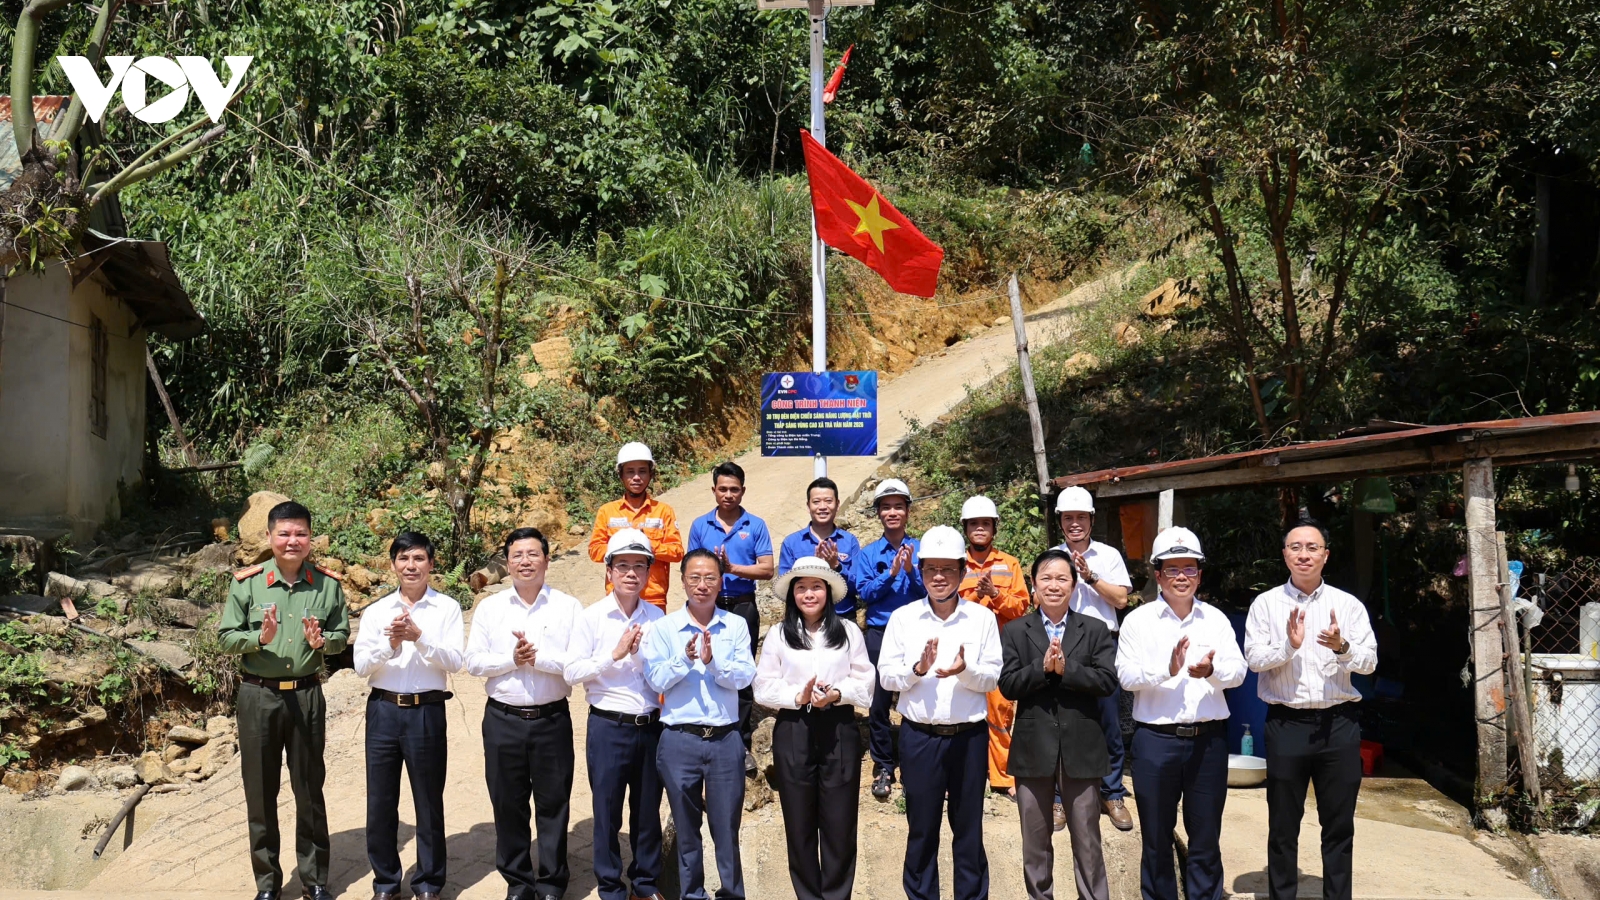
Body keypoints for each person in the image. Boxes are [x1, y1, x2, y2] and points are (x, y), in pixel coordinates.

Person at [218, 500, 350, 900]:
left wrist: (323, 643)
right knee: (260, 793)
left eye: (301, 534)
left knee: (309, 790)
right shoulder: (247, 583)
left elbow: (341, 635)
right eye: (284, 534)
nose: (293, 541)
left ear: (311, 538)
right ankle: (268, 884)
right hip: (258, 696)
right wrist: (259, 638)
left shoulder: (328, 585)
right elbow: (226, 638)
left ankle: (314, 880)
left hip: (306, 695)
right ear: (269, 537)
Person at [1244, 518, 1378, 900]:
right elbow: (1253, 659)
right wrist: (1289, 646)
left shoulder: (1347, 605)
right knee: (1283, 827)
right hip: (1287, 724)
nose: (1304, 554)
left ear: (1325, 555)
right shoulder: (1266, 604)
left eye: (1312, 547)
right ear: (1285, 554)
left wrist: (1342, 647)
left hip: (1339, 726)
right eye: (1296, 547)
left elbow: (1369, 662)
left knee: (1339, 827)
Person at [1116, 527, 1247, 900]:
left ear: (1199, 575)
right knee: (1157, 838)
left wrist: (1212, 671)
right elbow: (1125, 676)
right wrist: (1167, 669)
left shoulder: (1215, 620)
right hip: (1156, 742)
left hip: (1208, 742)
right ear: (1158, 575)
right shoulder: (1138, 621)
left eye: (1189, 568)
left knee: (1206, 838)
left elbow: (1238, 672)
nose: (1181, 577)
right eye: (1172, 569)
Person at [878, 525, 1002, 900]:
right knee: (921, 829)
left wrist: (965, 670)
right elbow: (886, 677)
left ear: (962, 572)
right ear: (920, 571)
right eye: (931, 568)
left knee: (968, 830)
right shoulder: (903, 618)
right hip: (920, 738)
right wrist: (917, 669)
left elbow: (992, 676)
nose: (939, 576)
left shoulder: (981, 619)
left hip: (969, 738)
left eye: (948, 569)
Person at [466, 527, 583, 900]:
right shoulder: (490, 608)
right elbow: (473, 662)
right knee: (508, 803)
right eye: (517, 555)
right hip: (503, 720)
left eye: (533, 554)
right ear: (507, 562)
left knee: (553, 803)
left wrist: (539, 659)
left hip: (551, 719)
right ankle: (518, 881)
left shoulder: (568, 607)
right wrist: (511, 659)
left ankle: (551, 882)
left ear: (547, 560)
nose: (525, 561)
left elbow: (578, 664)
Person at [753, 556, 876, 900]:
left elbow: (866, 682)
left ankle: (837, 895)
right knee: (799, 824)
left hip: (839, 727)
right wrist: (798, 696)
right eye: (802, 587)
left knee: (840, 824)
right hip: (794, 727)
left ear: (828, 591)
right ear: (793, 593)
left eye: (816, 587)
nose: (809, 594)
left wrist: (837, 693)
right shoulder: (779, 634)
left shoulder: (848, 631)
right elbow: (763, 686)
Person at [998, 549, 1118, 900]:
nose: (1054, 585)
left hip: (1082, 748)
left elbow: (1107, 682)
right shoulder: (1016, 630)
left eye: (1062, 578)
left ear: (1074, 585)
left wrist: (1067, 670)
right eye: (1046, 578)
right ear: (1033, 584)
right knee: (1035, 843)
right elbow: (1008, 684)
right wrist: (1041, 669)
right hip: (1033, 747)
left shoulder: (1094, 629)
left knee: (1088, 841)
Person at [352, 531, 463, 900]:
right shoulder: (376, 611)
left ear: (431, 564)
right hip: (383, 710)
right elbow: (361, 666)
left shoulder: (447, 608)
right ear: (393, 565)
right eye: (403, 558)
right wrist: (392, 643)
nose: (410, 566)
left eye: (418, 558)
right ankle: (386, 883)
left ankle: (429, 883)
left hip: (426, 710)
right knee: (380, 801)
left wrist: (420, 637)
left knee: (428, 800)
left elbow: (455, 661)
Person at [642, 549, 757, 900]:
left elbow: (744, 676)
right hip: (680, 739)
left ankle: (731, 894)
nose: (702, 585)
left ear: (721, 582)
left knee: (727, 829)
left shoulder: (735, 625)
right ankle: (692, 895)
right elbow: (655, 680)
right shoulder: (664, 628)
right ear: (682, 582)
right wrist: (685, 658)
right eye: (694, 577)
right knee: (687, 829)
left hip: (725, 740)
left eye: (710, 578)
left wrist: (712, 663)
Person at [565, 528, 668, 900]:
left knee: (647, 810)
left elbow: (662, 673)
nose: (631, 574)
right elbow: (572, 671)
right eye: (623, 565)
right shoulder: (592, 617)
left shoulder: (657, 617)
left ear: (649, 572)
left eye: (639, 566)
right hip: (608, 725)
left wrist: (639, 655)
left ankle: (645, 884)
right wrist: (615, 654)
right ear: (608, 570)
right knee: (607, 811)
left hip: (650, 725)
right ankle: (610, 887)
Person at [1053, 485, 1135, 831]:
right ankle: (1060, 797)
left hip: (1102, 644)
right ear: (1060, 521)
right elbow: (1041, 599)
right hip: (1064, 642)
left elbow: (1121, 600)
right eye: (1068, 517)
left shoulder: (1109, 555)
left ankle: (1111, 792)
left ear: (1091, 520)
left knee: (1108, 721)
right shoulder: (1052, 556)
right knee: (1062, 720)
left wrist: (1090, 576)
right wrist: (1064, 579)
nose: (1075, 523)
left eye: (1081, 517)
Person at [686, 460, 775, 773]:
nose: (728, 494)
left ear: (743, 491)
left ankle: (741, 742)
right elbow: (690, 568)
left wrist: (732, 568)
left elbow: (767, 569)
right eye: (722, 489)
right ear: (713, 490)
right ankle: (703, 734)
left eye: (734, 489)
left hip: (743, 605)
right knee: (703, 666)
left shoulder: (755, 525)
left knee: (742, 672)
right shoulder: (700, 526)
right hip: (708, 607)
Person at [853, 478, 926, 800]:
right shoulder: (868, 554)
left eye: (898, 506)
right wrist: (892, 572)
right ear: (878, 513)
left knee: (917, 698)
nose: (892, 512)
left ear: (908, 511)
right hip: (880, 634)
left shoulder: (923, 549)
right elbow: (865, 593)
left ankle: (913, 765)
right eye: (886, 507)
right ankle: (883, 764)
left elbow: (932, 592)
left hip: (916, 633)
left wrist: (911, 570)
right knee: (879, 703)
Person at [957, 496, 1032, 796]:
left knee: (1000, 712)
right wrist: (978, 595)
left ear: (994, 528)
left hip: (999, 650)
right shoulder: (956, 563)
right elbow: (950, 607)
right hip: (963, 650)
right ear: (965, 528)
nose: (980, 528)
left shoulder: (1008, 564)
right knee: (961, 709)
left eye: (985, 523)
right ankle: (966, 773)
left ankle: (1003, 777)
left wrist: (996, 595)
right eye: (974, 523)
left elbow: (1021, 607)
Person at [589, 442, 685, 610]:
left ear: (651, 474)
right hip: (617, 597)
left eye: (642, 471)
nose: (636, 477)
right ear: (620, 475)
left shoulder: (663, 511)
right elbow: (594, 551)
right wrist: (623, 546)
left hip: (654, 599)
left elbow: (677, 552)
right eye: (630, 471)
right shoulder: (607, 511)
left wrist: (648, 545)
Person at [777, 476, 863, 616]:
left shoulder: (849, 541)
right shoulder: (791, 543)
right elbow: (785, 587)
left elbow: (858, 587)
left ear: (837, 504)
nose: (822, 507)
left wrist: (836, 567)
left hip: (842, 616)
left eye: (828, 501)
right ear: (808, 506)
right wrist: (815, 569)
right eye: (816, 502)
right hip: (804, 619)